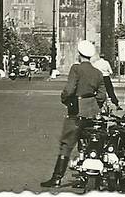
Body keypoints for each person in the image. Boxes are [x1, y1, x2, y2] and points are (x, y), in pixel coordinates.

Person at [40, 40, 107, 188]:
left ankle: (57, 178)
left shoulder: (76, 69)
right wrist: (95, 106)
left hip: (77, 112)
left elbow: (69, 90)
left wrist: (65, 99)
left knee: (66, 144)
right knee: (89, 143)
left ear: (79, 55)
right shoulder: (98, 73)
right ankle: (90, 176)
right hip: (93, 113)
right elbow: (102, 95)